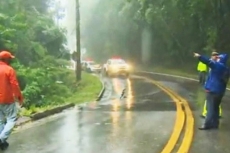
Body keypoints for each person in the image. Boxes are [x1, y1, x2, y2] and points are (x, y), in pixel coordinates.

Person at [194, 52, 229, 130]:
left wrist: (200, 56)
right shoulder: (226, 68)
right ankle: (215, 123)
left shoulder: (218, 66)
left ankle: (207, 124)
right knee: (216, 108)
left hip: (213, 90)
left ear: (221, 59)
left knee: (210, 108)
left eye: (218, 58)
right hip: (220, 92)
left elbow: (208, 62)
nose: (217, 58)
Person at [0, 51, 23, 150]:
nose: (10, 61)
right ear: (6, 59)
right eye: (10, 59)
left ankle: (2, 142)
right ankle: (1, 139)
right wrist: (19, 97)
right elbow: (14, 84)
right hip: (7, 99)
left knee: (0, 120)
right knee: (11, 119)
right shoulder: (9, 69)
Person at [200, 51, 222, 118]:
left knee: (209, 99)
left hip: (214, 84)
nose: (214, 56)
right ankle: (217, 113)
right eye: (213, 55)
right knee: (215, 99)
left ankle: (205, 113)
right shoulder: (216, 63)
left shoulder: (216, 63)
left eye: (215, 55)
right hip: (215, 84)